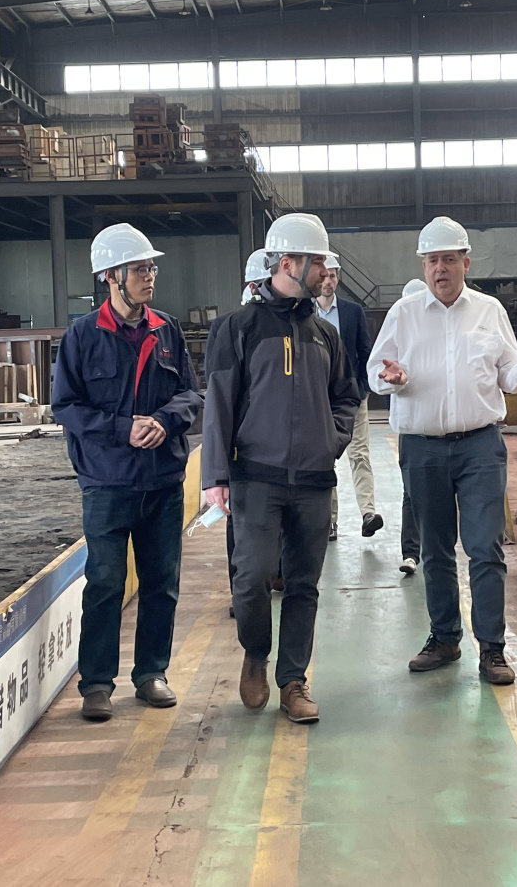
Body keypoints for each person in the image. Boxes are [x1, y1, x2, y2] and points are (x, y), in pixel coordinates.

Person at [367, 216, 517, 686]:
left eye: (449, 259)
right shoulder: (403, 314)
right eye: (433, 260)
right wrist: (391, 379)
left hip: (480, 446)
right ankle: (444, 638)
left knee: (484, 548)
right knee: (435, 550)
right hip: (422, 449)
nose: (441, 268)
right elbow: (375, 372)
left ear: (465, 263)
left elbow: (508, 371)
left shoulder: (489, 310)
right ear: (423, 265)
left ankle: (492, 649)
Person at [203, 213, 360, 723]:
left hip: (313, 482)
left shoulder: (325, 335)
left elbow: (347, 396)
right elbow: (218, 405)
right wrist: (215, 477)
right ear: (289, 263)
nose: (325, 273)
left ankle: (293, 681)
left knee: (303, 584)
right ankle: (256, 651)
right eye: (318, 263)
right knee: (250, 579)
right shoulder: (238, 328)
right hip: (256, 478)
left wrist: (331, 440)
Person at [52, 223, 203, 722]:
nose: (150, 276)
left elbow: (191, 393)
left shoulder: (167, 330)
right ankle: (97, 683)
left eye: (151, 268)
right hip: (107, 483)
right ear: (111, 276)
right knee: (105, 583)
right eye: (140, 269)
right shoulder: (82, 336)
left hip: (162, 481)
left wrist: (164, 421)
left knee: (162, 582)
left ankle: (151, 673)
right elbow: (65, 406)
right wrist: (123, 429)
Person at [206, 249, 284, 619]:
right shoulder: (228, 327)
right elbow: (218, 396)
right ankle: (242, 591)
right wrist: (217, 469)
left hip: (280, 447)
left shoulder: (294, 322)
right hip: (244, 448)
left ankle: (277, 574)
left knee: (280, 518)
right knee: (241, 525)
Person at [315, 255, 383, 541]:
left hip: (353, 397)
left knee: (359, 454)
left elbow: (365, 351)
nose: (328, 281)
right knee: (324, 457)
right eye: (324, 276)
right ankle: (329, 521)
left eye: (333, 276)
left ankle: (368, 513)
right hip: (319, 398)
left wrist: (364, 386)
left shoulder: (352, 311)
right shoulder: (306, 312)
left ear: (338, 278)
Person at [396, 278, 428, 576]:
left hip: (443, 432)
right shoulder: (397, 336)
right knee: (411, 493)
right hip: (412, 432)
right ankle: (410, 553)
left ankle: (429, 550)